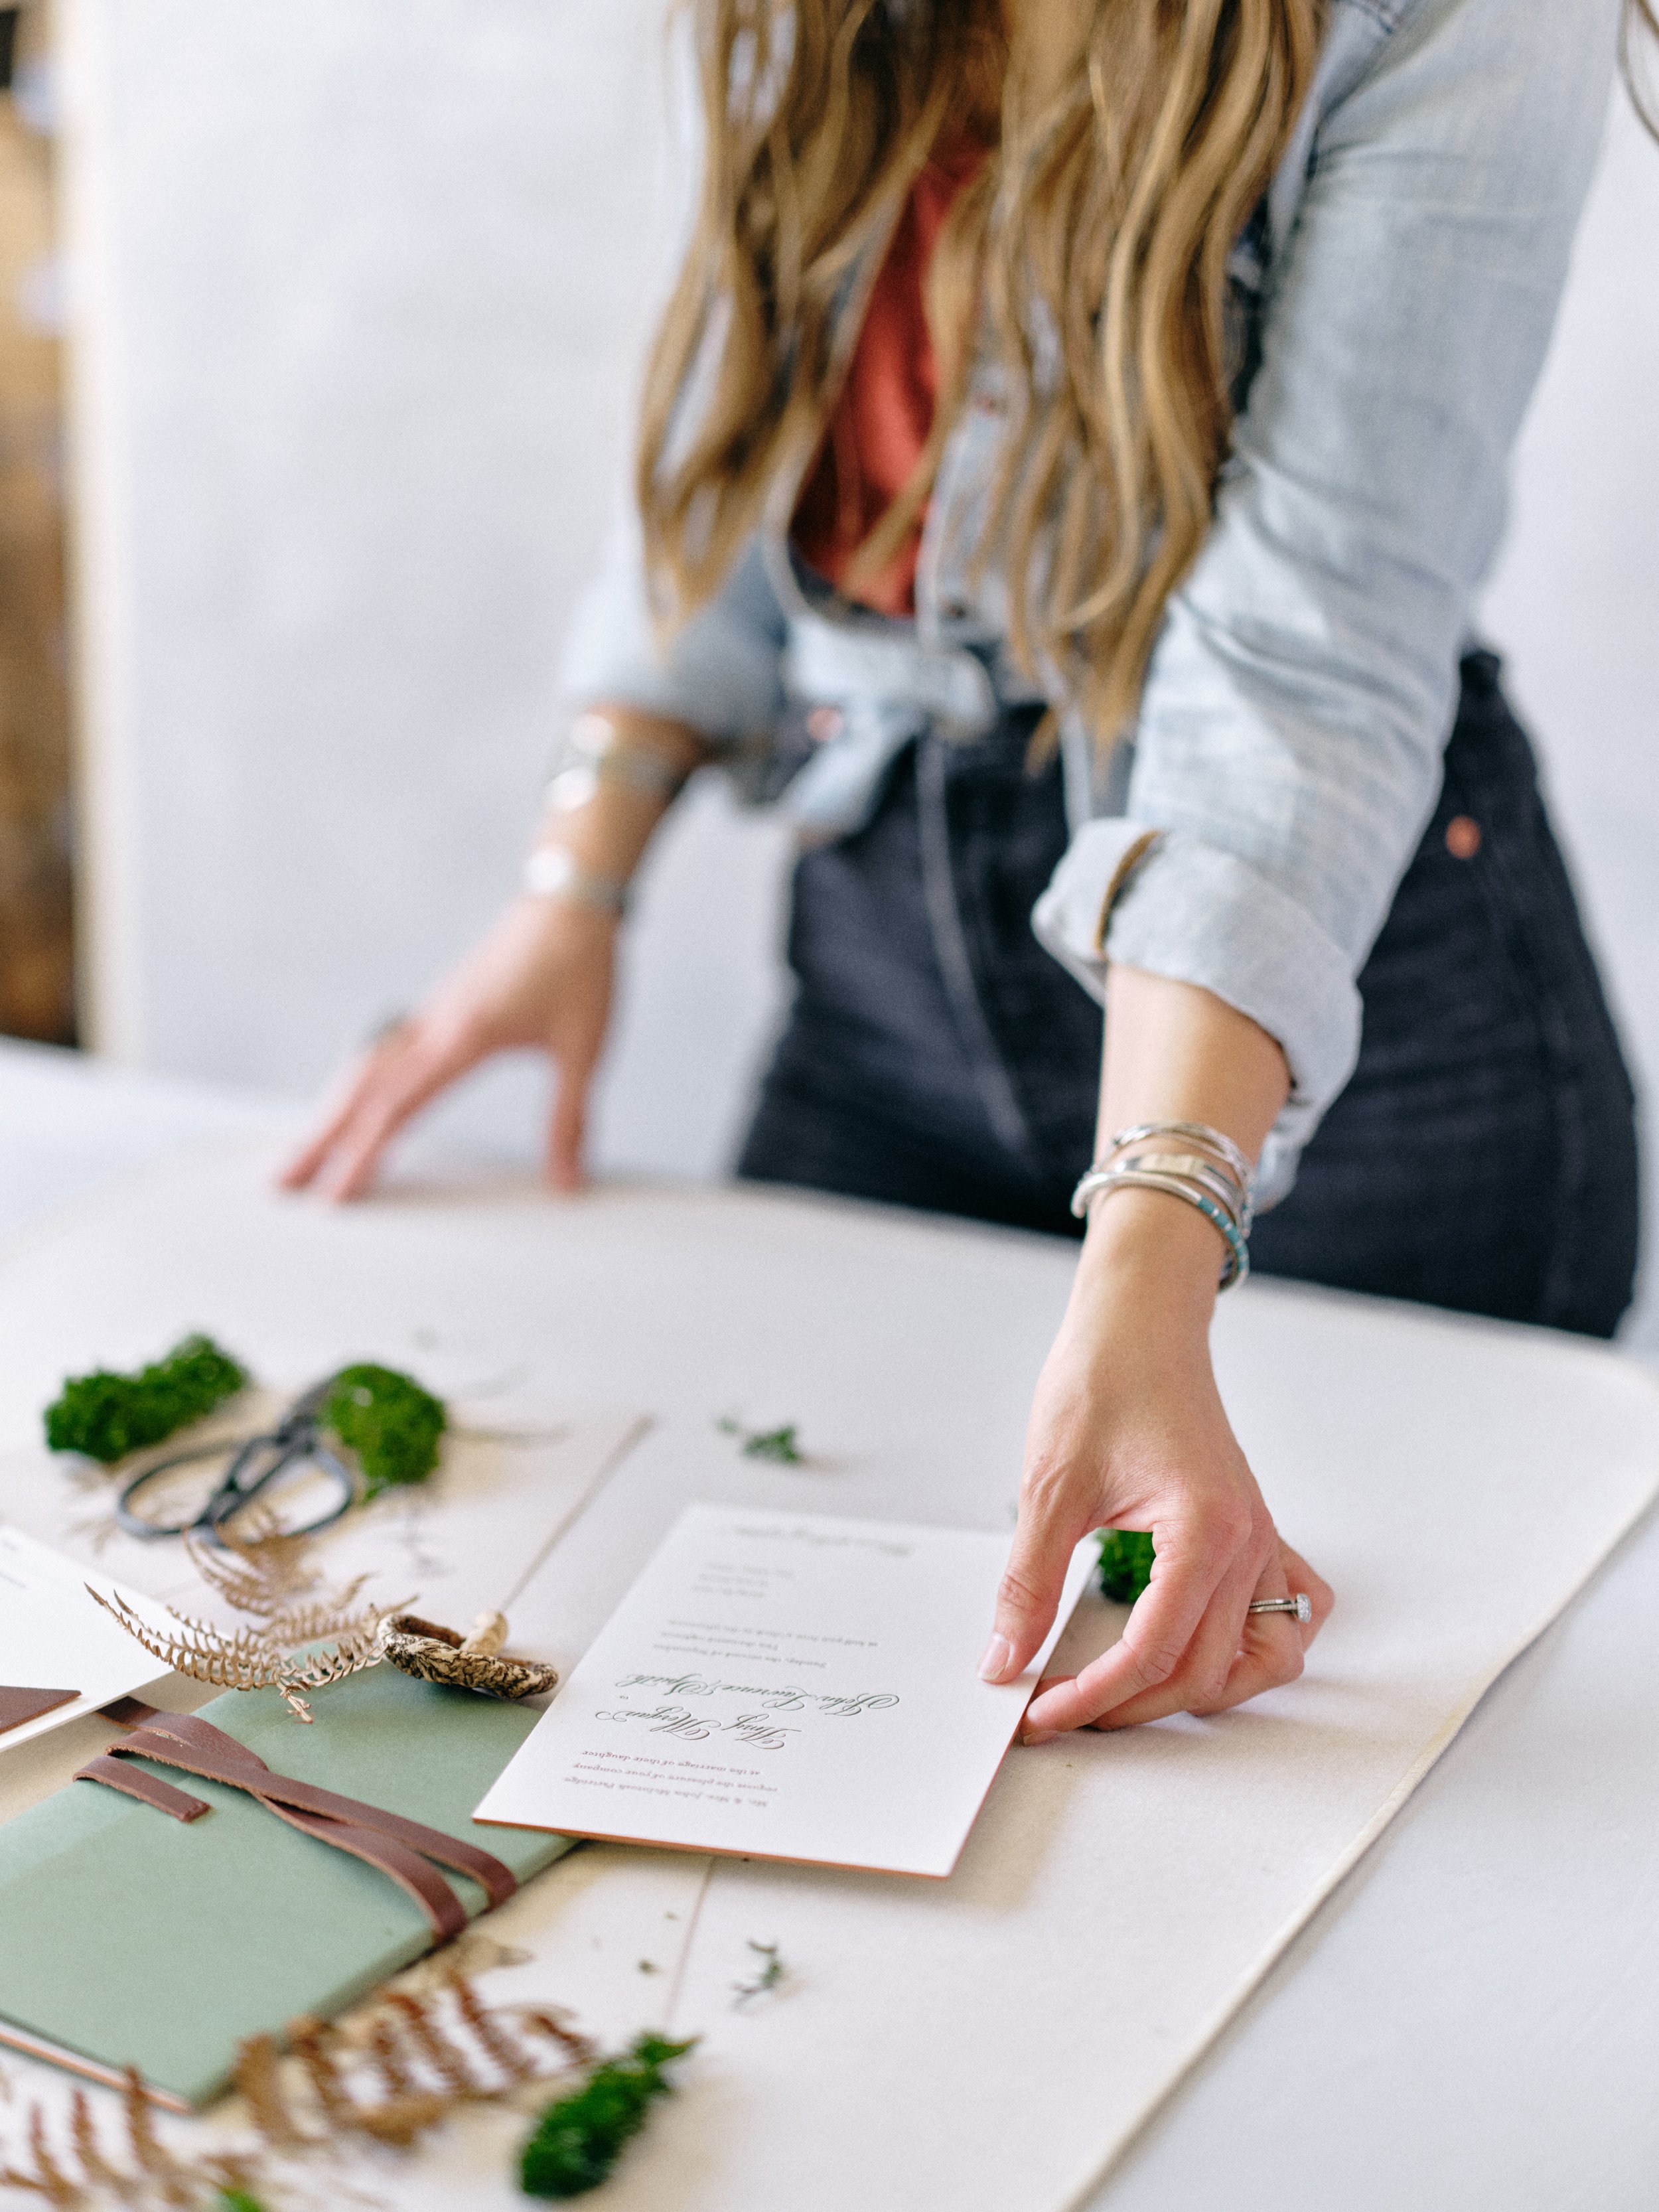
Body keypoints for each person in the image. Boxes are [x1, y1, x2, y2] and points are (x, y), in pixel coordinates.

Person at [285, 0, 1653, 1740]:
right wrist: (577, 880)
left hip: (1346, 1002)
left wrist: (1154, 1241)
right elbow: (751, 406)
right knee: (791, 1681)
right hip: (882, 946)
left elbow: (1308, 648)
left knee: (1342, 1769)